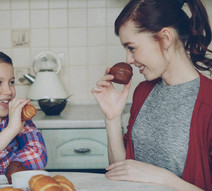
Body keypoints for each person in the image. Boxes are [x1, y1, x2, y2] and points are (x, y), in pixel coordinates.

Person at [91, 0, 212, 190]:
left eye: (132, 48)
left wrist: (163, 178)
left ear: (165, 38)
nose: (128, 60)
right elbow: (122, 172)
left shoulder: (208, 102)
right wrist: (112, 119)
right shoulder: (143, 92)